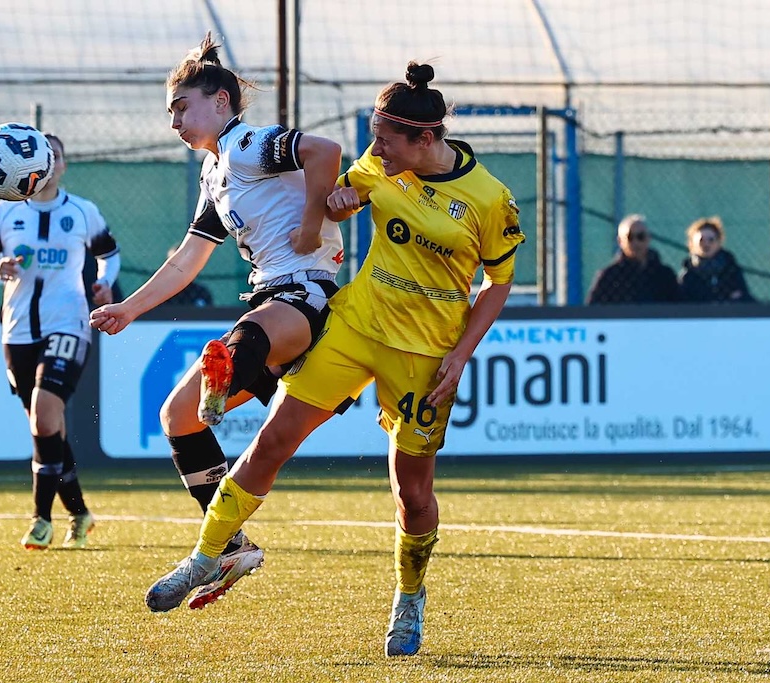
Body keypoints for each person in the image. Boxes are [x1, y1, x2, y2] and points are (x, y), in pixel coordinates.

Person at [140, 62, 525, 658]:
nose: (375, 149)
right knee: (271, 441)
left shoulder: (489, 198)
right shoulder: (380, 165)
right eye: (372, 136)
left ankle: (409, 596)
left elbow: (498, 282)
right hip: (354, 326)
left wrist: (462, 352)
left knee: (412, 494)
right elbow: (340, 194)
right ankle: (204, 555)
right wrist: (337, 202)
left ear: (426, 140)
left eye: (385, 139)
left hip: (425, 354)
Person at [90, 33, 344, 609]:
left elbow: (325, 151)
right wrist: (129, 309)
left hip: (309, 294)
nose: (174, 120)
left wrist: (310, 225)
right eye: (171, 111)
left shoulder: (250, 143)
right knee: (176, 417)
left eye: (183, 106)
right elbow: (186, 258)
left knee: (245, 340)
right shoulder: (216, 172)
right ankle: (229, 544)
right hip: (269, 300)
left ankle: (226, 369)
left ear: (223, 101)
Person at [0, 133, 121, 550]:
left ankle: (41, 520)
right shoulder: (3, 211)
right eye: (43, 154)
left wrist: (104, 282)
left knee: (43, 414)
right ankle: (80, 514)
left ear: (63, 165)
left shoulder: (83, 212)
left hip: (69, 324)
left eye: (55, 155)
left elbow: (110, 253)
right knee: (46, 427)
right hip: (17, 331)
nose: (49, 161)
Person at [586, 214, 679, 304]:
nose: (636, 242)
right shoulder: (610, 276)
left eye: (640, 236)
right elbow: (593, 310)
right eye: (630, 237)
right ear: (620, 241)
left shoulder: (665, 275)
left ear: (648, 238)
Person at [678, 216, 755, 302]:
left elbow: (745, 299)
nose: (706, 244)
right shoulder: (688, 276)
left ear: (719, 242)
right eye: (701, 240)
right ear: (692, 243)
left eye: (711, 240)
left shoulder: (731, 271)